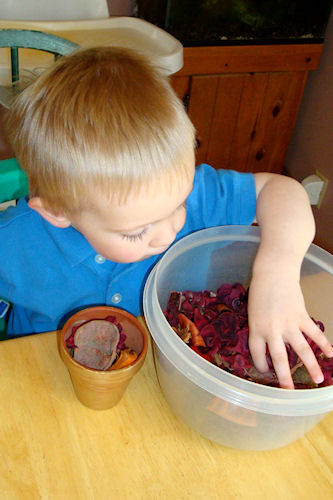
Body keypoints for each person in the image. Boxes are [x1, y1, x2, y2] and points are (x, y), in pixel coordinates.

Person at [1, 46, 332, 389]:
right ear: (58, 211)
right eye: (137, 232)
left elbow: (280, 191)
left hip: (166, 379)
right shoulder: (14, 244)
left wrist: (277, 272)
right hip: (51, 384)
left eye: (179, 204)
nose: (168, 234)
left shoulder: (190, 194)